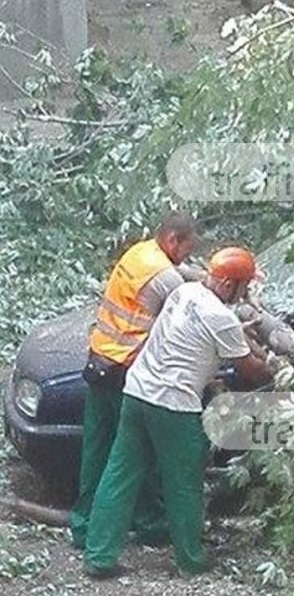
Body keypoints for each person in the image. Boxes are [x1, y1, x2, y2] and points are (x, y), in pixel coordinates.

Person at [83, 246, 273, 578]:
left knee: (120, 472)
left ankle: (99, 555)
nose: (247, 293)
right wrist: (278, 366)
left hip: (137, 391)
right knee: (184, 482)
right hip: (173, 405)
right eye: (245, 286)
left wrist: (242, 335)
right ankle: (191, 558)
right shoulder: (221, 318)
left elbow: (201, 336)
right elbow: (251, 371)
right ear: (229, 285)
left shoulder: (184, 291)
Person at [70, 212, 199, 549]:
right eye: (187, 247)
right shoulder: (163, 277)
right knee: (135, 453)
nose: (187, 255)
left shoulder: (140, 253)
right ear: (173, 240)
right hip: (125, 370)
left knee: (96, 451)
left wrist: (208, 274)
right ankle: (151, 524)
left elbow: (181, 275)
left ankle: (83, 527)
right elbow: (193, 307)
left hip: (99, 361)